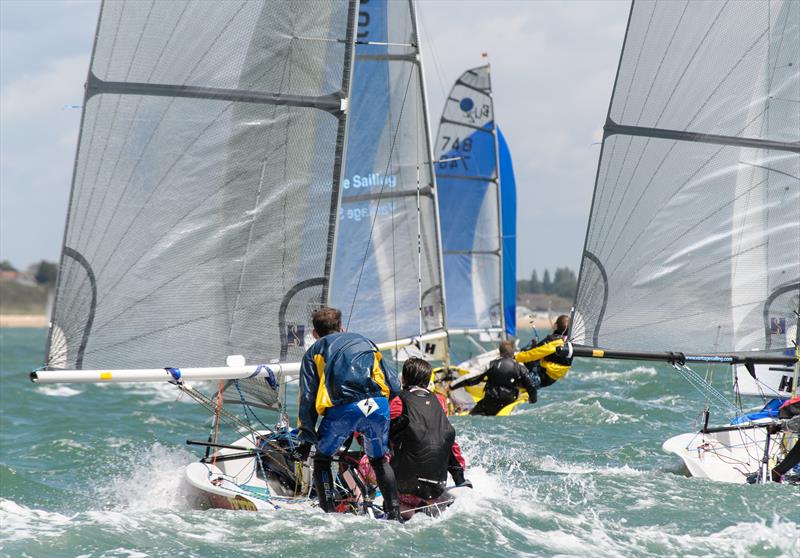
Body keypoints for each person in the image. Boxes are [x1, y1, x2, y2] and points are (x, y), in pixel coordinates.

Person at [293, 307, 403, 520]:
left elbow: (307, 398)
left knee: (323, 458)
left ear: (315, 334)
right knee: (379, 461)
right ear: (342, 328)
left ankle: (329, 513)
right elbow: (395, 385)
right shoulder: (366, 342)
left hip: (344, 410)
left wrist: (306, 440)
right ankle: (394, 514)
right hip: (378, 406)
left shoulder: (314, 351)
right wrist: (375, 410)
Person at [389, 358, 471, 516]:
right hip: (436, 486)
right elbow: (448, 441)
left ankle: (361, 503)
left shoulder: (397, 401)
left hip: (405, 485)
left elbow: (377, 437)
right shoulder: (439, 401)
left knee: (368, 459)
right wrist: (459, 477)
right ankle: (429, 503)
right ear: (428, 381)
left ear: (403, 379)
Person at [449, 340, 539, 416]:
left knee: (472, 416)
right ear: (513, 353)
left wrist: (452, 386)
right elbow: (531, 385)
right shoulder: (520, 368)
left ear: (500, 352)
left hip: (490, 401)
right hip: (509, 401)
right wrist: (533, 399)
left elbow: (472, 378)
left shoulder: (491, 364)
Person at [516, 314, 573, 389]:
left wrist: (515, 357)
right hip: (553, 377)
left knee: (525, 353)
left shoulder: (553, 341)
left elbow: (533, 354)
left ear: (555, 326)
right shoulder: (570, 342)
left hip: (543, 376)